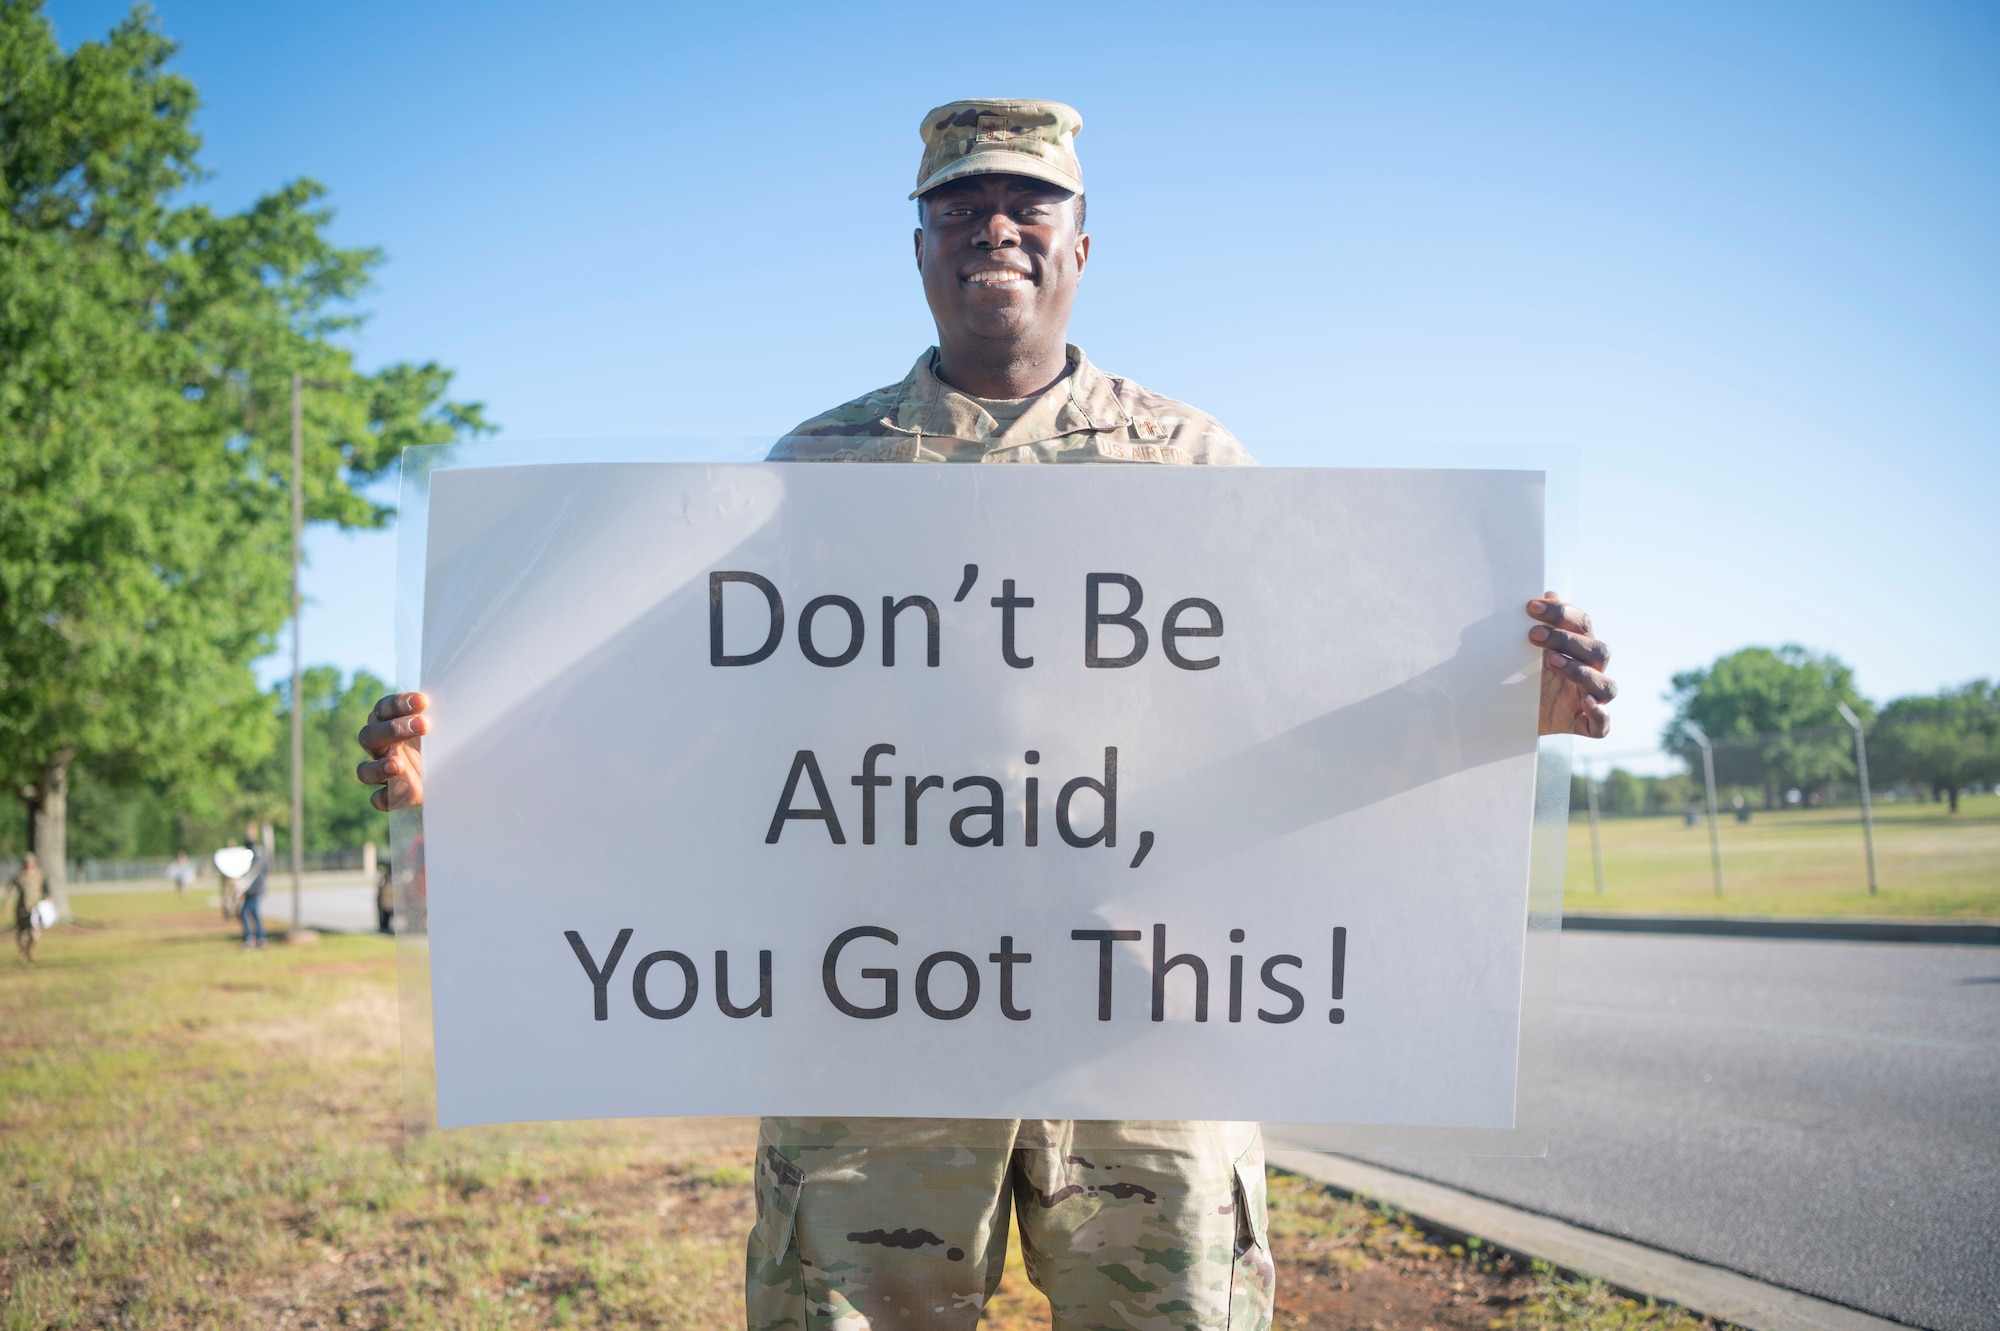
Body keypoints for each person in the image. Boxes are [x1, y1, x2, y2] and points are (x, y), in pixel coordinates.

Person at [356, 98, 1619, 1330]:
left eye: (1028, 203)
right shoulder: (813, 473)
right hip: (873, 1015)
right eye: (958, 205)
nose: (994, 227)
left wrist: (1497, 707)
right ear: (917, 246)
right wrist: (466, 763)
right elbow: (691, 720)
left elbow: (1297, 715)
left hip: (1145, 1018)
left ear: (1081, 241)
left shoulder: (1192, 463)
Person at [237, 826, 268, 950]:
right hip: (254, 890)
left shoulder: (255, 857)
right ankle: (260, 938)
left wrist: (241, 888)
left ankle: (252, 938)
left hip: (253, 890)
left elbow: (251, 876)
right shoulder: (255, 855)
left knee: (245, 912)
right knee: (253, 914)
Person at [10, 852, 45, 963]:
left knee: (35, 933)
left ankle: (32, 951)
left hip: (36, 909)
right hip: (22, 909)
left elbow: (45, 891)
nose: (29, 866)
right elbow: (12, 893)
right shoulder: (19, 878)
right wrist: (6, 907)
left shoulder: (39, 876)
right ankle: (23, 953)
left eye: (31, 864)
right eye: (27, 864)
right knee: (22, 933)